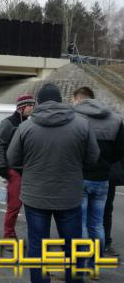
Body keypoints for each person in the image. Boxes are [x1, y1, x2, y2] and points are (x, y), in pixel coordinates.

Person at [7, 83, 100, 283]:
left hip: (35, 197)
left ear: (38, 102)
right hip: (69, 196)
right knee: (72, 246)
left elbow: (12, 159)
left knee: (37, 246)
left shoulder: (26, 127)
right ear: (61, 101)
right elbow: (93, 157)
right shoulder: (82, 125)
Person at [72, 86, 124, 263]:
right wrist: (106, 163)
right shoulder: (116, 119)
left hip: (80, 176)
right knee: (97, 223)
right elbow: (120, 151)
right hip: (103, 178)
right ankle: (95, 264)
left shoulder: (74, 117)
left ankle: (82, 264)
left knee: (82, 222)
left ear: (78, 99)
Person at [0, 94, 35, 239]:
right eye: (30, 105)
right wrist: (2, 167)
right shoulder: (8, 123)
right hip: (13, 170)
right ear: (22, 107)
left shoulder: (31, 124)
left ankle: (34, 234)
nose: (32, 108)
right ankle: (9, 235)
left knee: (32, 205)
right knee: (14, 206)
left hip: (29, 170)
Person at [105, 159, 124, 256]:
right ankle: (105, 243)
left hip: (106, 177)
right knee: (106, 212)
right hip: (107, 177)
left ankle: (105, 243)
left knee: (106, 211)